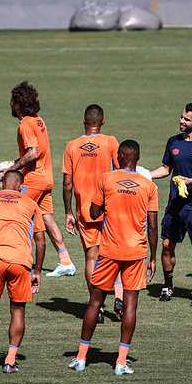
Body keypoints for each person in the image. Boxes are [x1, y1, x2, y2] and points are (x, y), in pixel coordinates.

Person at [68, 140, 158, 375]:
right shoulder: (148, 186)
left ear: (119, 156)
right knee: (130, 307)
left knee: (95, 303)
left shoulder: (106, 179)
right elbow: (153, 227)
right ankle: (120, 362)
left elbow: (93, 212)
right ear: (137, 158)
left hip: (108, 251)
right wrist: (154, 257)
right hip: (136, 253)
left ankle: (80, 358)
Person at [0, 169, 46, 373]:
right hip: (20, 262)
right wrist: (37, 270)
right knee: (17, 310)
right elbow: (40, 241)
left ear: (1, 184)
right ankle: (10, 361)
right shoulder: (31, 204)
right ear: (21, 186)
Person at [5, 81, 75, 277]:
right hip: (47, 178)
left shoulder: (26, 124)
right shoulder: (38, 120)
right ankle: (66, 261)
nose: (9, 103)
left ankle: (22, 262)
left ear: (17, 104)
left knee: (18, 216)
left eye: (12, 101)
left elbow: (33, 153)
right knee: (47, 219)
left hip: (34, 180)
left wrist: (12, 168)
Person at [151, 103, 192, 306]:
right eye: (181, 117)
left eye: (186, 119)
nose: (181, 121)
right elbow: (165, 169)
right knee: (166, 245)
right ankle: (168, 285)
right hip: (175, 205)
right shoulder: (173, 142)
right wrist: (144, 175)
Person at [62, 104, 122, 321]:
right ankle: (119, 297)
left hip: (85, 211)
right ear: (103, 121)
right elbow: (121, 172)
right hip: (110, 208)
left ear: (83, 121)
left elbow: (67, 184)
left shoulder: (71, 146)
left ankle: (97, 306)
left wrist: (68, 212)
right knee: (115, 253)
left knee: (91, 257)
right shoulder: (111, 142)